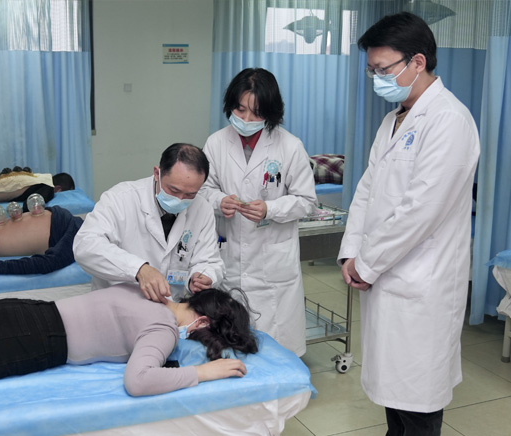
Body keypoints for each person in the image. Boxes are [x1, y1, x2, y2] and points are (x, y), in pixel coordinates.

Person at [337, 12, 480, 435]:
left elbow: (420, 210)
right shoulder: (394, 119)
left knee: (416, 403)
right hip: (386, 274)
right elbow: (367, 190)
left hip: (422, 283)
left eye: (383, 69)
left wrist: (368, 263)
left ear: (418, 62)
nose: (376, 79)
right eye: (372, 70)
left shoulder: (449, 120)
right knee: (393, 398)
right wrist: (351, 253)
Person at [0, 284, 258, 396]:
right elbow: (138, 382)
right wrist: (202, 372)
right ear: (201, 321)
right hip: (25, 339)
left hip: (12, 310)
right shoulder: (163, 329)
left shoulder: (149, 290)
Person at [199, 68, 317, 356]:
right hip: (230, 256)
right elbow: (202, 189)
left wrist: (270, 209)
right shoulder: (216, 143)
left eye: (256, 113)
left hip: (272, 264)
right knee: (231, 344)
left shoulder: (290, 146)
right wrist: (219, 201)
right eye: (240, 109)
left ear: (271, 112)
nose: (246, 119)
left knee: (277, 348)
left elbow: (307, 201)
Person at [73, 143, 225, 303]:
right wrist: (138, 269)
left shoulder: (202, 208)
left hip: (171, 306)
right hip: (118, 306)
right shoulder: (120, 199)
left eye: (190, 194)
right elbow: (85, 246)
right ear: (157, 173)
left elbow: (209, 261)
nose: (180, 199)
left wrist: (202, 276)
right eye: (174, 190)